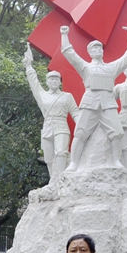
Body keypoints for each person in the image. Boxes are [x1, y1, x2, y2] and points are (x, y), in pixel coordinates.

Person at [60, 25, 127, 172]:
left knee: (117, 132)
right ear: (90, 52)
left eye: (100, 48)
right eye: (95, 49)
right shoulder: (86, 67)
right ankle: (74, 163)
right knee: (80, 133)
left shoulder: (111, 68)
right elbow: (69, 53)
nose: (98, 50)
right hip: (90, 102)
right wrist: (64, 34)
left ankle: (116, 161)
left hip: (108, 103)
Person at [23, 44, 81, 180]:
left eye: (56, 79)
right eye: (51, 79)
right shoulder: (42, 95)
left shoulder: (67, 96)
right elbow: (34, 83)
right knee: (48, 158)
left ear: (60, 82)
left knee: (61, 152)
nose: (54, 81)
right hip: (47, 128)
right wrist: (28, 66)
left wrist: (81, 125)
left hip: (61, 127)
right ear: (47, 81)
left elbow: (75, 112)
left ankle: (60, 180)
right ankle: (53, 181)